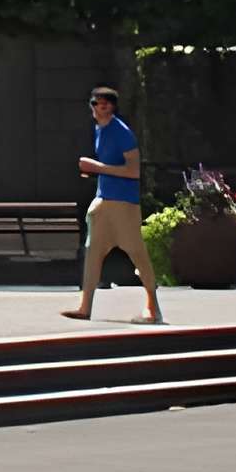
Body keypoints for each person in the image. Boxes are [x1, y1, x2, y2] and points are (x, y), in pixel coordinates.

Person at [65, 84, 162, 324]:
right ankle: (85, 307)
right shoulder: (100, 130)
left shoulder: (122, 132)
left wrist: (96, 167)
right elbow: (112, 168)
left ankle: (154, 308)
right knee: (93, 253)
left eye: (106, 103)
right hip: (104, 202)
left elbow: (133, 171)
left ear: (112, 107)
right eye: (97, 103)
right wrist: (95, 173)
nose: (100, 107)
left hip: (124, 205)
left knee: (137, 253)